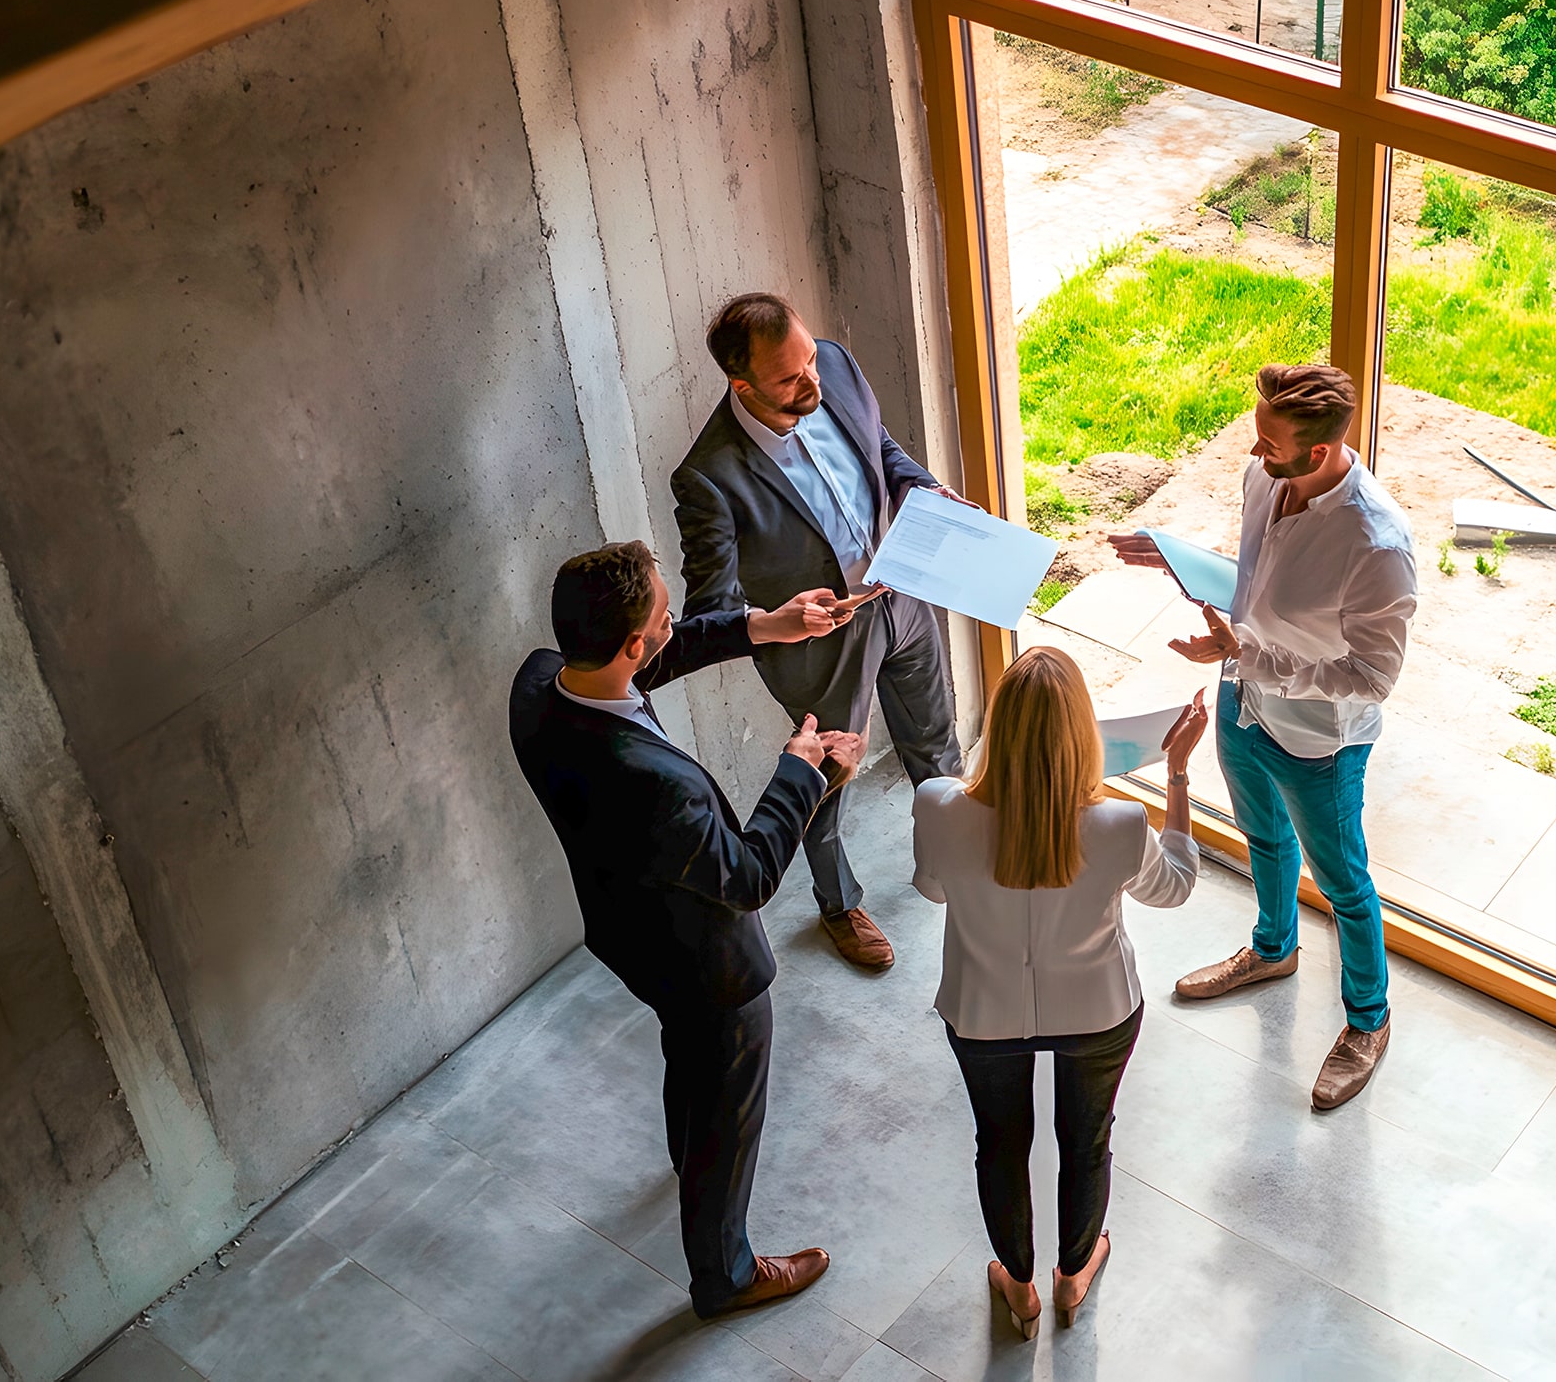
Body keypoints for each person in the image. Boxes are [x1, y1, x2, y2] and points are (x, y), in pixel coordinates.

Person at [508, 540, 867, 1319]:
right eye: (665, 618)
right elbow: (750, 875)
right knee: (729, 1111)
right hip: (712, 968)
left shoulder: (541, 683)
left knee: (689, 1051)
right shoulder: (656, 786)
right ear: (631, 644)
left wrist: (763, 625)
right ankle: (725, 1272)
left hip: (629, 933)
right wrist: (803, 771)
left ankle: (686, 1152)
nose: (674, 626)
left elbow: (647, 662)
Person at [1109, 363, 1419, 1112]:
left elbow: (1373, 675)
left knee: (1344, 885)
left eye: (1270, 443)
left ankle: (1368, 1022)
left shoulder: (1376, 546)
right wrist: (1182, 558)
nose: (1254, 452)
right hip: (1242, 702)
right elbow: (1263, 578)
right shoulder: (1265, 476)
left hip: (1319, 741)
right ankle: (1273, 950)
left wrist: (1252, 657)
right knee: (1265, 840)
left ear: (1319, 452)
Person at [911, 649, 1208, 1337]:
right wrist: (1178, 773)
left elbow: (932, 889)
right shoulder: (1120, 824)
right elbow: (1176, 886)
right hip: (1098, 1011)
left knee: (999, 1144)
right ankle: (1073, 1275)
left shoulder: (937, 804)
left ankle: (1019, 1287)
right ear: (1083, 732)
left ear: (999, 726)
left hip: (982, 1012)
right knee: (1087, 1141)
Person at [673, 292, 966, 972]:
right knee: (825, 782)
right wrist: (781, 622)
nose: (813, 380)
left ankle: (959, 855)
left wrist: (920, 487)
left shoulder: (832, 363)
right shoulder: (708, 477)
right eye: (790, 376)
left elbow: (878, 445)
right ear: (742, 385)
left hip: (901, 594)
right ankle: (838, 904)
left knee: (936, 739)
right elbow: (710, 611)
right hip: (818, 648)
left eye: (809, 358)